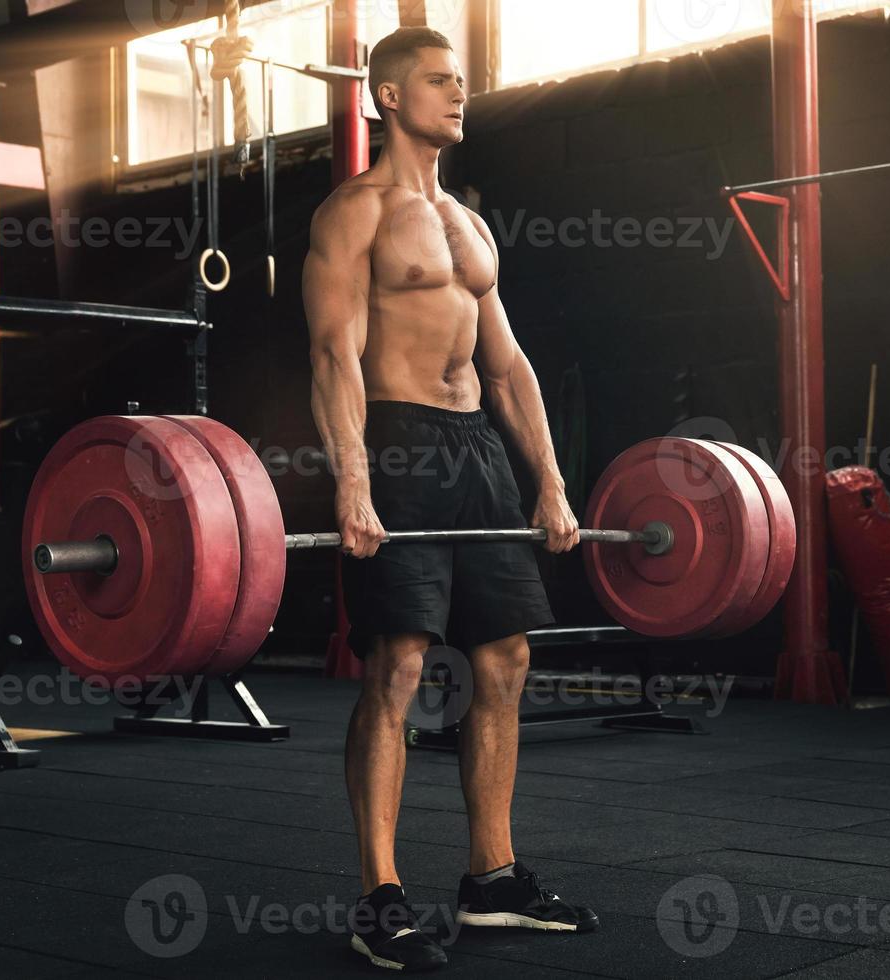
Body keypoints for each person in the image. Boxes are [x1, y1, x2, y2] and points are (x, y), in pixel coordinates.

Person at [303, 25, 599, 973]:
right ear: (390, 97)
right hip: (398, 442)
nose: (457, 95)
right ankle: (381, 896)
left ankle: (492, 880)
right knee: (397, 664)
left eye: (461, 82)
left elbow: (506, 366)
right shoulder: (355, 212)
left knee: (504, 659)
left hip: (477, 450)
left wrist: (549, 481)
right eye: (438, 81)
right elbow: (333, 354)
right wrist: (353, 476)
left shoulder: (470, 225)